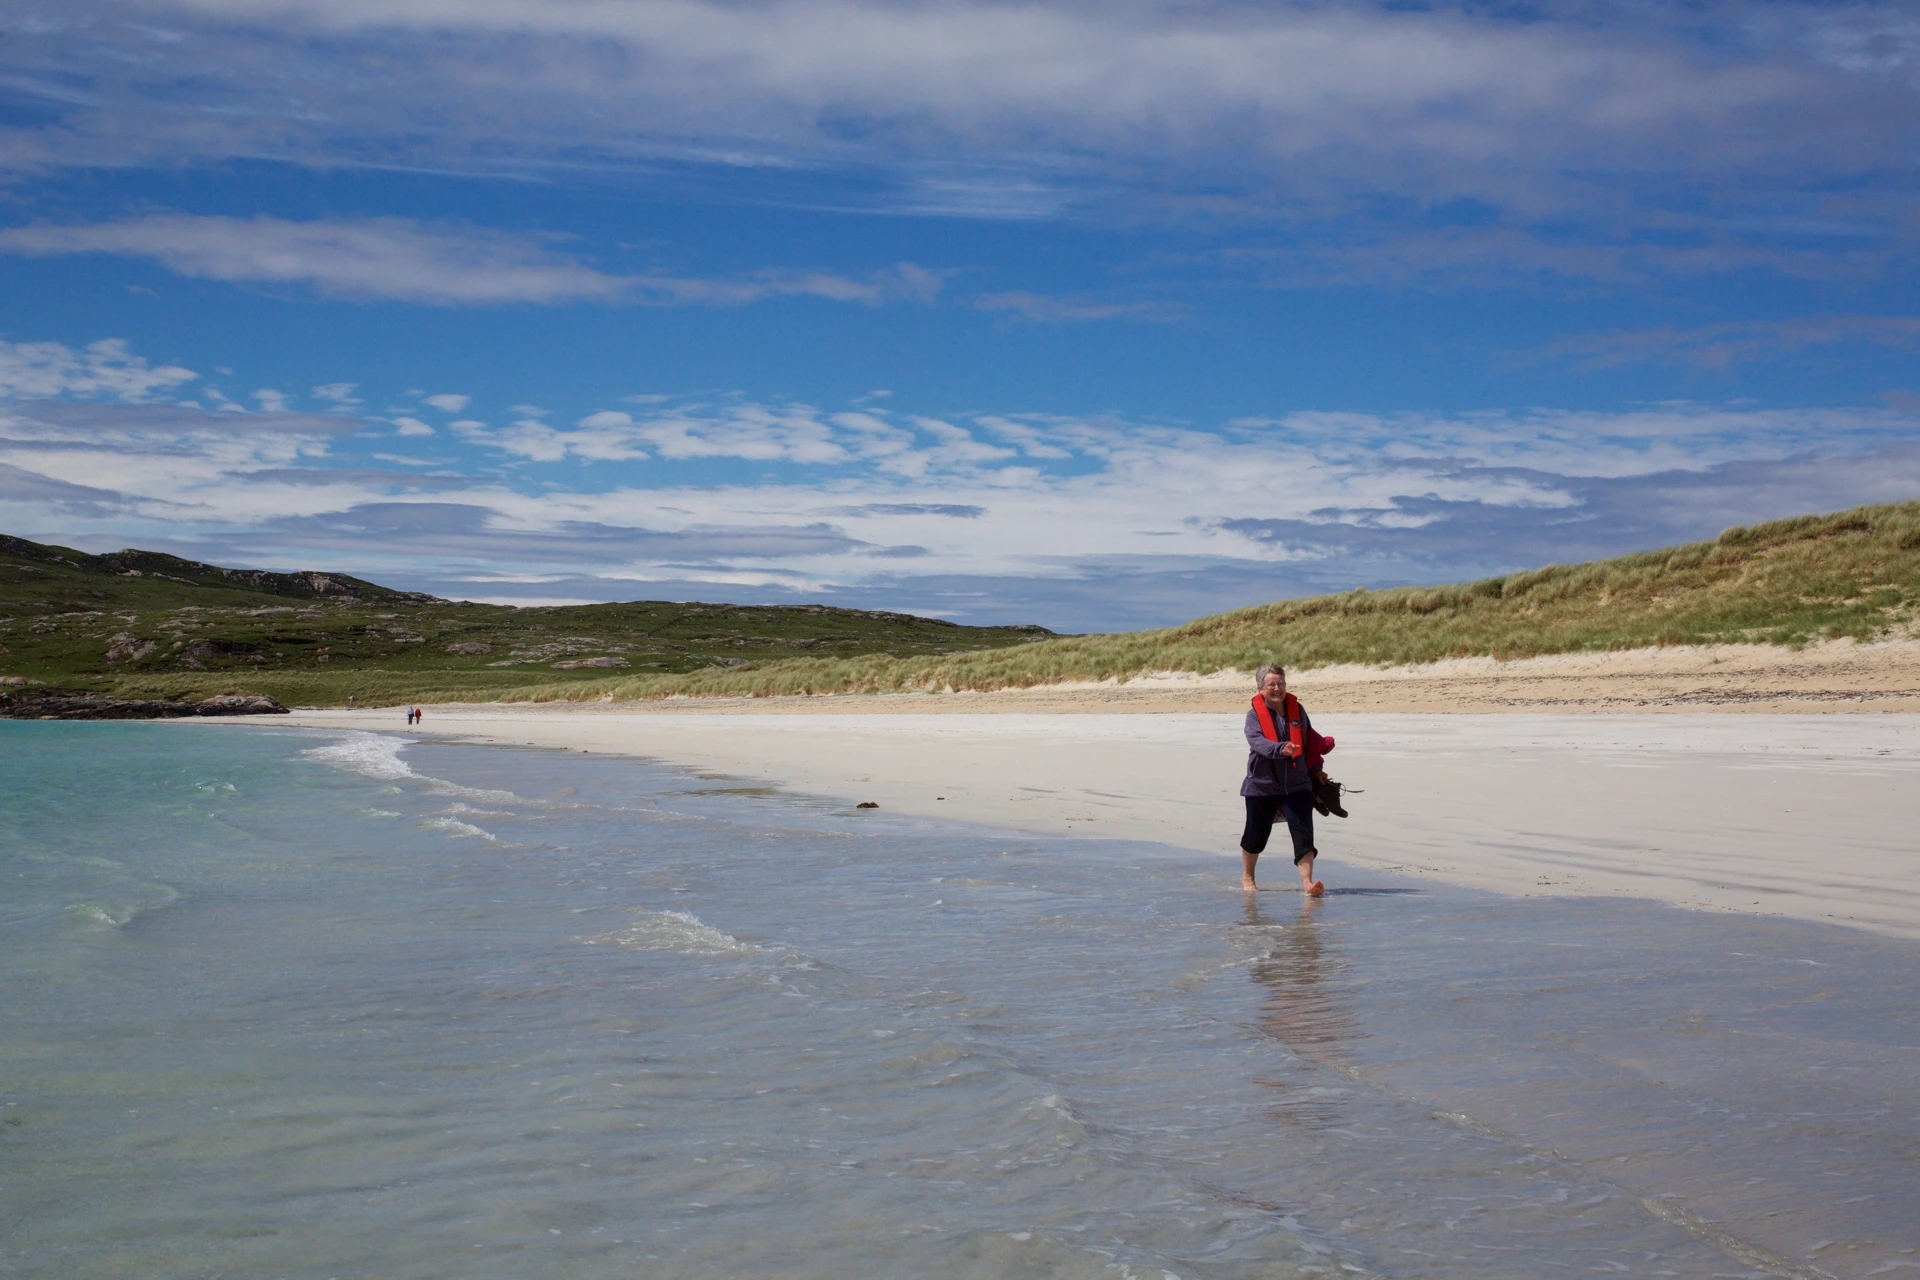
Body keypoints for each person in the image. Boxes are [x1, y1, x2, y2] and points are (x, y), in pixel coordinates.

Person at [1239, 662, 1329, 896]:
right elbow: (1256, 741)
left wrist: (1317, 768)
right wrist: (1280, 749)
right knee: (1255, 835)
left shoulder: (1297, 710)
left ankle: (1308, 883)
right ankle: (1248, 876)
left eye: (1281, 683)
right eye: (1272, 684)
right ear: (1261, 688)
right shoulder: (1253, 716)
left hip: (1298, 784)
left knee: (1303, 833)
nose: (1277, 688)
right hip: (1262, 786)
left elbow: (1309, 742)